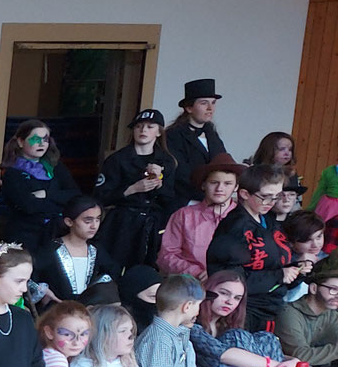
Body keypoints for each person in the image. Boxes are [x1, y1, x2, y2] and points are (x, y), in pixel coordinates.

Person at [206, 164, 305, 325]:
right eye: (265, 196)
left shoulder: (267, 219)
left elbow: (274, 264)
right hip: (244, 310)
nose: (271, 202)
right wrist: (279, 275)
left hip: (269, 306)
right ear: (244, 194)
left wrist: (296, 270)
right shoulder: (236, 227)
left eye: (276, 196)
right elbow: (231, 278)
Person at [95, 109, 180, 273]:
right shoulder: (117, 159)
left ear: (159, 132)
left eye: (150, 127)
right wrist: (132, 189)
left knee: (145, 269)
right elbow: (100, 196)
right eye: (139, 126)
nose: (143, 130)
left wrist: (159, 184)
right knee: (113, 268)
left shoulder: (167, 161)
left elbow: (170, 199)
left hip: (152, 223)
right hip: (122, 222)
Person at [0, 120, 78, 248]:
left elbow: (75, 195)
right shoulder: (12, 172)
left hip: (55, 234)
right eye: (35, 139)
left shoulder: (56, 167)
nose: (41, 144)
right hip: (24, 237)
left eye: (45, 139)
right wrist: (59, 202)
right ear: (20, 142)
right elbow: (29, 206)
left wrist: (47, 194)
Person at [158, 157, 243, 278]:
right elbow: (166, 256)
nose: (220, 188)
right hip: (190, 282)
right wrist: (195, 272)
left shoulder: (244, 217)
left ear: (236, 187)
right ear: (203, 185)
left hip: (233, 282)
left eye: (227, 183)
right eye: (214, 182)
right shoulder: (183, 215)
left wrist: (222, 273)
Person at [33, 195, 119, 306]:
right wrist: (43, 290)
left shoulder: (96, 250)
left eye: (97, 219)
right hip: (57, 310)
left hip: (88, 310)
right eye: (88, 221)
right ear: (69, 221)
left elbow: (112, 273)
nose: (94, 226)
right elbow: (30, 275)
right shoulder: (51, 249)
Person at [276, 254, 338, 367]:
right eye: (333, 289)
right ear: (314, 288)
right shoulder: (289, 313)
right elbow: (300, 355)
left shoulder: (331, 314)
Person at [165, 79, 228, 200]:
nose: (210, 108)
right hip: (185, 199)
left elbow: (222, 162)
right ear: (189, 108)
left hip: (211, 198)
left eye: (213, 103)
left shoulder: (212, 134)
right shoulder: (173, 135)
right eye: (204, 103)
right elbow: (180, 174)